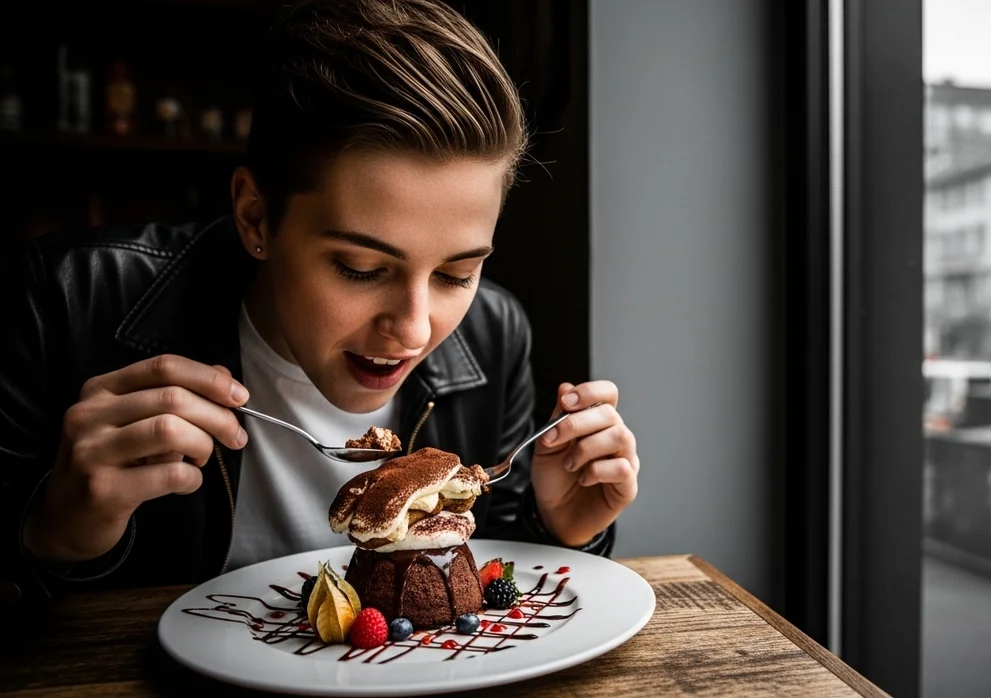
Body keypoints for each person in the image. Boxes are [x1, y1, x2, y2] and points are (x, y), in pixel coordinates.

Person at [0, 0, 639, 619]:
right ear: (257, 217)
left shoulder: (494, 333)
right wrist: (50, 531)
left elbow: (489, 589)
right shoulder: (65, 299)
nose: (415, 330)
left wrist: (561, 532)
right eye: (360, 269)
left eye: (457, 273)